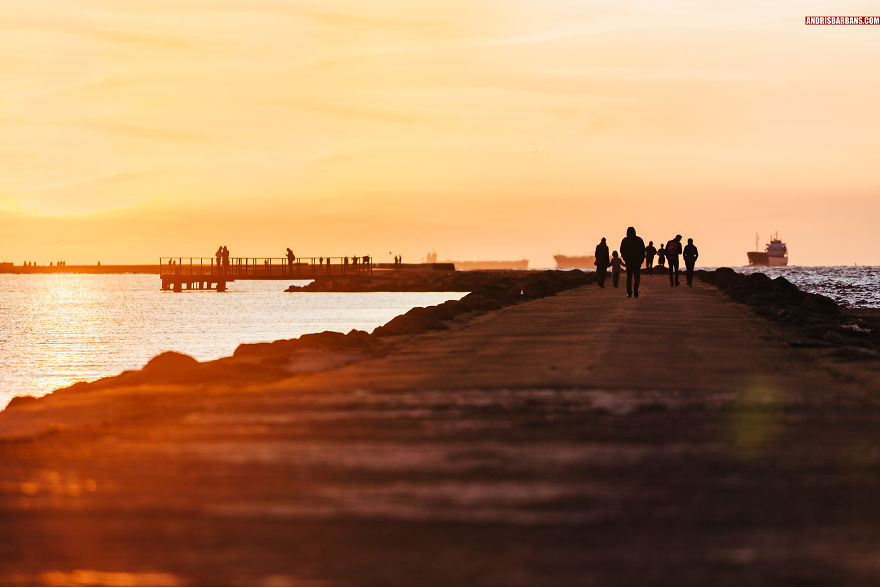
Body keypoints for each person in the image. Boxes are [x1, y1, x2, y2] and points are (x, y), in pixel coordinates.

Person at [620, 226, 646, 298]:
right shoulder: (639, 240)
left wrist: (625, 258)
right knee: (637, 277)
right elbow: (643, 250)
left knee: (629, 277)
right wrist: (641, 260)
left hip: (629, 262)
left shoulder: (625, 240)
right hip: (637, 262)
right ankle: (635, 289)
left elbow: (622, 250)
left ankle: (629, 292)